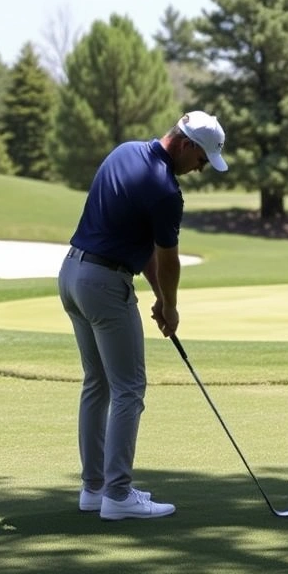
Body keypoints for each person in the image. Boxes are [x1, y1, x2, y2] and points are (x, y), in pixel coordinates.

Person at [58, 111, 228, 520]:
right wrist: (170, 306)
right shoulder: (166, 191)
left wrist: (156, 297)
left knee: (97, 384)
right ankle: (118, 495)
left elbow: (143, 245)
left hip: (71, 274)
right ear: (186, 145)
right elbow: (168, 261)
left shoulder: (124, 152)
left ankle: (94, 488)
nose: (202, 168)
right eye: (203, 159)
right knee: (129, 388)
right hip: (103, 285)